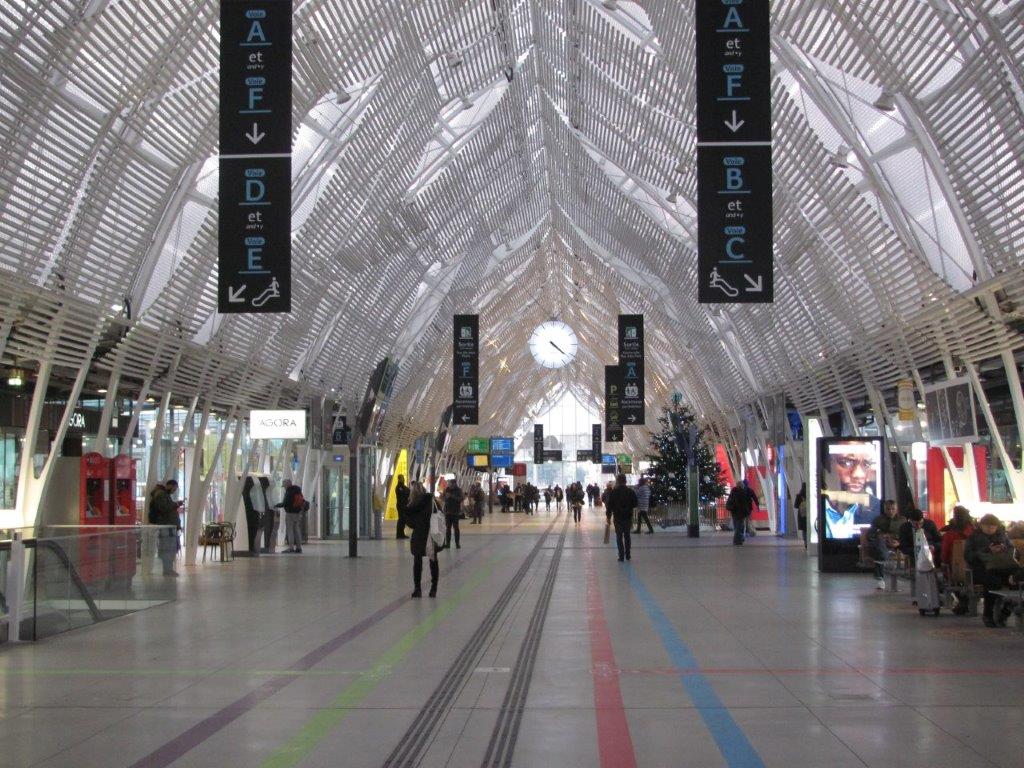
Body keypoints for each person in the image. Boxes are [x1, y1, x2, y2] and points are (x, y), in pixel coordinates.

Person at [965, 514, 1018, 627]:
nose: (990, 528)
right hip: (981, 569)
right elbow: (968, 556)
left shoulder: (1002, 536)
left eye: (993, 526)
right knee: (993, 583)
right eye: (987, 526)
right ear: (981, 526)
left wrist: (1003, 549)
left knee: (1017, 580)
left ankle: (1006, 610)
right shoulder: (974, 537)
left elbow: (1012, 550)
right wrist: (988, 550)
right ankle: (988, 614)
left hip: (1002, 568)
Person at [406, 482, 439, 598]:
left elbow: (410, 524)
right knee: (433, 561)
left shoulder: (412, 505)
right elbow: (439, 514)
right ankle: (433, 589)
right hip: (432, 534)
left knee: (417, 562)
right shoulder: (432, 501)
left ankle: (417, 589)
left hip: (419, 535)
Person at [867, 500, 904, 589]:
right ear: (884, 509)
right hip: (882, 543)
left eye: (893, 509)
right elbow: (870, 535)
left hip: (897, 544)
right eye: (888, 509)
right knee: (880, 546)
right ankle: (880, 576)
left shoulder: (902, 520)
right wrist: (881, 536)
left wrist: (899, 542)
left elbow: (906, 535)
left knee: (880, 554)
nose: (890, 511)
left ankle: (885, 558)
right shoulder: (878, 520)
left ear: (896, 509)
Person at [148, 479, 182, 576]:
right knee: (167, 548)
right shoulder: (160, 494)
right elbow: (164, 508)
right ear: (170, 485)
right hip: (166, 526)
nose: (174, 491)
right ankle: (167, 570)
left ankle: (168, 569)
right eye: (174, 489)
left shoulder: (164, 494)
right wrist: (176, 504)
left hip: (169, 526)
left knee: (170, 548)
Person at [605, 474, 638, 562]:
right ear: (625, 481)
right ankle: (628, 554)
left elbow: (609, 506)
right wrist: (629, 507)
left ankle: (621, 556)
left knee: (619, 537)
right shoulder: (630, 492)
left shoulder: (613, 492)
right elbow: (635, 503)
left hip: (617, 517)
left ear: (618, 481)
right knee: (627, 536)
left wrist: (608, 517)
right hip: (628, 517)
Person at [275, 479, 305, 553]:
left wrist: (276, 505)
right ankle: (299, 547)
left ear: (287, 484)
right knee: (296, 529)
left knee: (290, 530)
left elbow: (285, 503)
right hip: (297, 513)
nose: (284, 487)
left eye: (284, 485)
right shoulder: (298, 490)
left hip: (290, 513)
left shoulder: (289, 491)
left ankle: (291, 548)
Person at [443, 479, 464, 549]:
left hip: (455, 512)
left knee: (456, 528)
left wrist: (451, 496)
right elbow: (444, 498)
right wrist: (445, 497)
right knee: (448, 529)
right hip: (448, 512)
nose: (450, 485)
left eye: (451, 484)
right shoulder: (447, 489)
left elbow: (461, 499)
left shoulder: (459, 490)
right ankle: (447, 544)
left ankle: (457, 543)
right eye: (449, 483)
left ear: (455, 484)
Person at [395, 475, 410, 539]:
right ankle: (399, 534)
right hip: (400, 506)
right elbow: (403, 493)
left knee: (403, 520)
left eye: (402, 478)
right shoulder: (398, 487)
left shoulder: (403, 487)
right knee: (401, 520)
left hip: (404, 505)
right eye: (401, 478)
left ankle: (402, 534)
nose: (402, 479)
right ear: (398, 479)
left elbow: (407, 491)